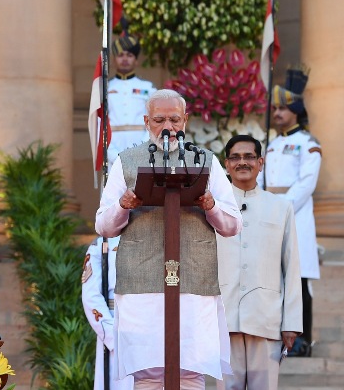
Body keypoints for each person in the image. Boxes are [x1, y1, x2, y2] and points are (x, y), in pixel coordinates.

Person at [95, 88, 242, 389]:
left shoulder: (206, 161)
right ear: (147, 121)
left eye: (174, 119)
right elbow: (102, 225)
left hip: (193, 279)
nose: (168, 127)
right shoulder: (125, 161)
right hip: (141, 280)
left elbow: (233, 224)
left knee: (191, 369)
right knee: (147, 372)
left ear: (185, 120)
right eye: (160, 120)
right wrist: (123, 205)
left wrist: (211, 206)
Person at [217, 134, 302, 389]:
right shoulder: (212, 208)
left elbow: (292, 266)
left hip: (266, 317)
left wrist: (292, 323)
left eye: (249, 157)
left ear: (261, 162)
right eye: (235, 157)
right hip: (224, 318)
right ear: (226, 164)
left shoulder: (280, 207)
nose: (242, 162)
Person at [262, 67, 321, 357]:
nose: (277, 113)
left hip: (295, 217)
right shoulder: (272, 145)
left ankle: (301, 341)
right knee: (275, 281)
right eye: (274, 108)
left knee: (299, 282)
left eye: (282, 108)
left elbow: (306, 184)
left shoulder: (308, 144)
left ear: (296, 111)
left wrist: (281, 207)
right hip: (270, 218)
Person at [81, 236, 134, 390]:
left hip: (151, 328)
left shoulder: (155, 237)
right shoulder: (102, 243)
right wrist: (113, 336)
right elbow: (91, 296)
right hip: (115, 324)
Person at [106, 35, 156, 164]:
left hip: (142, 145)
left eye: (129, 55)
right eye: (121, 55)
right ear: (114, 60)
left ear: (136, 60)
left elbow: (155, 120)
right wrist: (111, 154)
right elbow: (99, 123)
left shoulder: (148, 88)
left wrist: (144, 148)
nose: (125, 59)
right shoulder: (105, 88)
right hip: (113, 145)